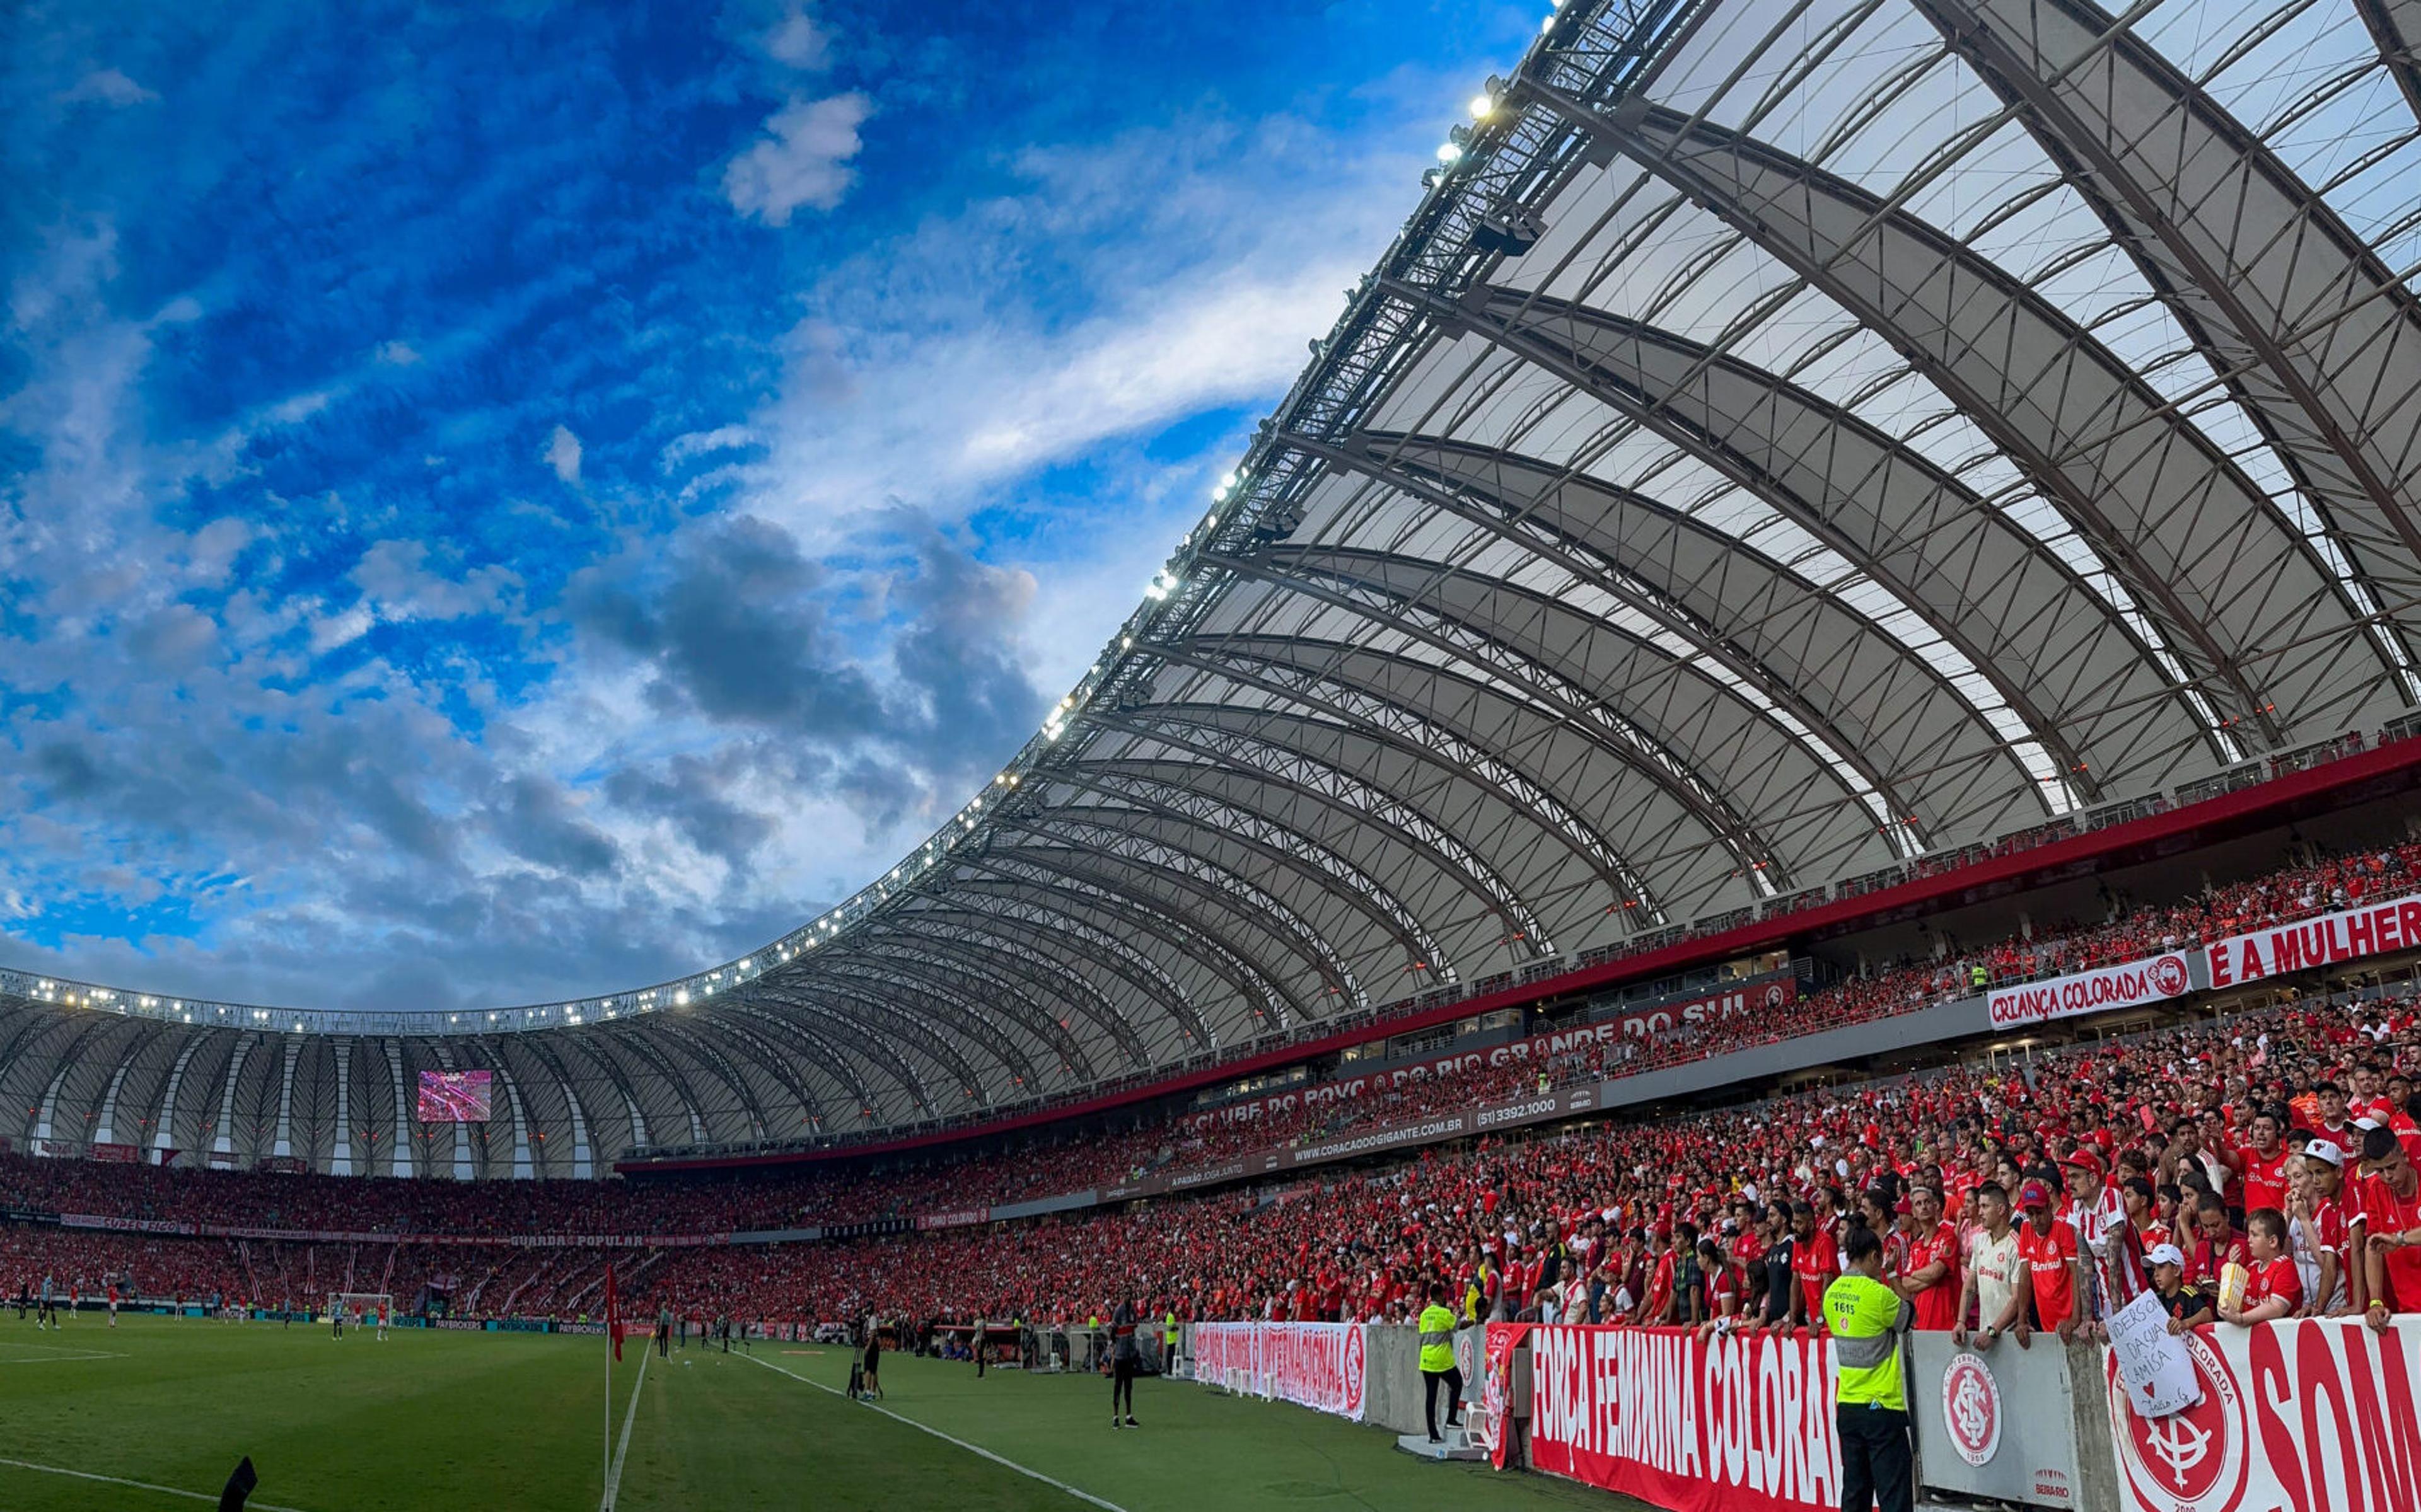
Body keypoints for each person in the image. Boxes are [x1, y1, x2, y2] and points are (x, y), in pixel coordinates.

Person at [1825, 1225, 1914, 1512]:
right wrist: (1891, 1274)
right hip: (1882, 1408)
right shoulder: (1878, 1295)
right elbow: (1909, 1316)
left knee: (1855, 1493)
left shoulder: (1832, 1292)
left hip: (1848, 1406)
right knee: (1894, 1497)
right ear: (1875, 1256)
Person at [1417, 1282, 1464, 1443]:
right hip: (1442, 1360)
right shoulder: (1444, 1313)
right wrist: (1475, 1321)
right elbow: (1459, 1325)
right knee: (1457, 1384)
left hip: (1426, 1359)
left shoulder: (1423, 1315)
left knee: (1431, 1397)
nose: (1445, 1297)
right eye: (1443, 1295)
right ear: (1438, 1296)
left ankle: (1433, 1435)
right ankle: (1451, 1419)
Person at [1109, 1293, 1140, 1428]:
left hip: (1129, 1355)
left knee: (1129, 1387)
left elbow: (1133, 1329)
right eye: (1125, 1294)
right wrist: (1115, 1346)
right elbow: (1112, 1331)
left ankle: (1128, 1416)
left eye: (1129, 1294)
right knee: (1118, 1386)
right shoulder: (1118, 1311)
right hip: (1120, 1356)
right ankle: (1115, 1417)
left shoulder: (1132, 1311)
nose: (1128, 1297)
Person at [862, 1324, 885, 1400]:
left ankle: (868, 1392)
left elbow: (873, 1333)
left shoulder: (872, 1319)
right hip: (873, 1345)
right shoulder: (873, 1318)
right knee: (873, 1370)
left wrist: (868, 1346)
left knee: (868, 1369)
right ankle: (872, 1393)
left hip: (872, 1346)